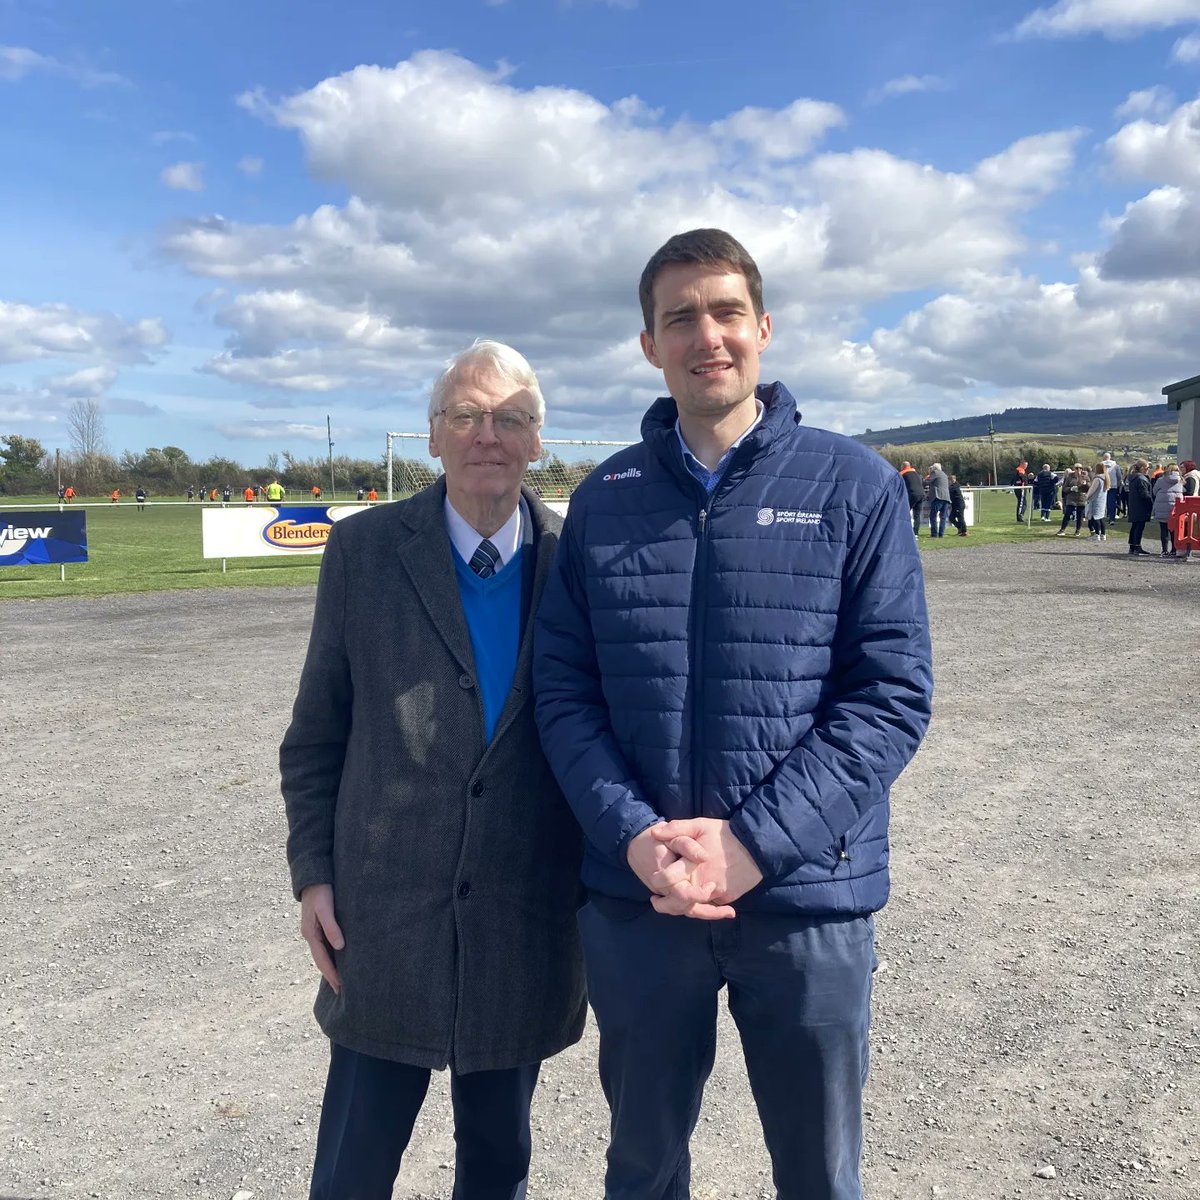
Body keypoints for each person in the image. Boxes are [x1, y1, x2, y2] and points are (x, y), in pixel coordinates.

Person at [534, 228, 934, 1200]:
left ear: (763, 327)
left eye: (725, 312)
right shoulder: (604, 501)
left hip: (805, 898)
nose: (706, 336)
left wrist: (753, 845)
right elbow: (564, 692)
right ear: (649, 345)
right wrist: (633, 838)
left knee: (820, 1174)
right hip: (643, 898)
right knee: (642, 1169)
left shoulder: (854, 485)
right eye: (680, 318)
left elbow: (889, 695)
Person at [281, 340, 585, 1200]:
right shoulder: (365, 552)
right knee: (353, 1167)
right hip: (383, 921)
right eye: (467, 415)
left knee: (497, 1164)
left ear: (537, 441)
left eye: (511, 418)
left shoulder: (576, 561)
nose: (489, 434)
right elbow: (315, 737)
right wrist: (313, 874)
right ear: (432, 436)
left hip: (522, 919)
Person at [1151, 462, 1182, 557]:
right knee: (1174, 530)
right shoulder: (1181, 480)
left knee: (1164, 529)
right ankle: (1174, 549)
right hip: (1175, 507)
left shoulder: (1161, 480)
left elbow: (1154, 491)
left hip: (1162, 506)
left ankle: (1164, 550)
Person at [1126, 460, 1152, 556]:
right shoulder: (1141, 479)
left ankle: (1132, 546)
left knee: (1135, 526)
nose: (1148, 470)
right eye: (1147, 468)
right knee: (1139, 527)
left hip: (1134, 505)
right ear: (1142, 468)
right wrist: (1151, 502)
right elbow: (1144, 494)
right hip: (1141, 506)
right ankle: (1137, 546)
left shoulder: (1133, 478)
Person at [1056, 465, 1088, 537]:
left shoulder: (1085, 476)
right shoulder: (1069, 477)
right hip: (1071, 498)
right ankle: (1062, 529)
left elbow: (1089, 486)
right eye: (1077, 468)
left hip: (1081, 498)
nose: (1078, 469)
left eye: (1080, 468)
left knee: (1080, 515)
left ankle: (1078, 530)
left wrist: (1085, 484)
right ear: (1074, 469)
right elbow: (1064, 488)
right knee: (1067, 514)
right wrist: (1071, 489)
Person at [898, 460, 924, 534]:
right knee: (917, 515)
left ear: (903, 466)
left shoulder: (902, 473)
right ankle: (915, 533)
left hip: (912, 493)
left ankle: (902, 529)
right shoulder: (916, 473)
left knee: (904, 511)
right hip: (921, 494)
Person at [926, 461, 950, 537]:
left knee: (933, 516)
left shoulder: (935, 473)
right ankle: (941, 534)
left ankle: (934, 534)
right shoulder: (944, 474)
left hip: (938, 497)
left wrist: (925, 478)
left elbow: (927, 482)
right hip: (946, 497)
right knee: (943, 517)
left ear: (934, 468)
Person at [1084, 462, 1107, 542]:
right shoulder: (1106, 478)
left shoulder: (1098, 479)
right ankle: (1103, 535)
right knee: (1101, 517)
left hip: (1095, 500)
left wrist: (1087, 496)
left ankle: (1097, 535)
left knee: (1095, 517)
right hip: (1102, 500)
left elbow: (1092, 490)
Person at [1101, 452, 1123, 524]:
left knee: (1102, 502)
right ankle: (1111, 519)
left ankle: (1100, 518)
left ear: (1104, 458)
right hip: (1113, 486)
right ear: (1110, 458)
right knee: (1112, 502)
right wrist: (1118, 485)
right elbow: (1119, 477)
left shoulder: (1100, 465)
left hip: (1103, 486)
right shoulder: (1115, 466)